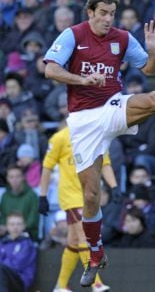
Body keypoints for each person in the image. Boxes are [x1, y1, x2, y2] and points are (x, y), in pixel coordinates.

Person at [43, 0, 155, 286]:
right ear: (90, 12)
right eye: (103, 13)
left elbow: (148, 69)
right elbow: (50, 70)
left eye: (112, 14)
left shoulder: (122, 38)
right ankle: (96, 253)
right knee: (91, 196)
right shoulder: (73, 34)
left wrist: (153, 51)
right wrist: (82, 79)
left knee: (153, 98)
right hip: (83, 121)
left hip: (112, 105)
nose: (108, 19)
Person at [39, 124, 116, 292]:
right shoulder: (60, 138)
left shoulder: (96, 136)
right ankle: (96, 283)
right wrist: (43, 195)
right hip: (71, 197)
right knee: (84, 236)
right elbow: (47, 166)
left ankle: (60, 285)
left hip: (90, 196)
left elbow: (105, 162)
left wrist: (114, 186)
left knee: (73, 241)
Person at [0, 212, 37, 292]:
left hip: (20, 281)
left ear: (23, 226)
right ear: (7, 226)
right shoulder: (3, 243)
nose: (15, 227)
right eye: (12, 224)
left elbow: (16, 266)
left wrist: (3, 261)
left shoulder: (27, 244)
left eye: (18, 224)